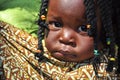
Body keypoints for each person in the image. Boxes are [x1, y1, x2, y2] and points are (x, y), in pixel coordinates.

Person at [0, 0, 119, 80]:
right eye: (56, 24)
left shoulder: (106, 71)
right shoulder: (23, 51)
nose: (65, 38)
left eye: (83, 28)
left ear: (107, 31)